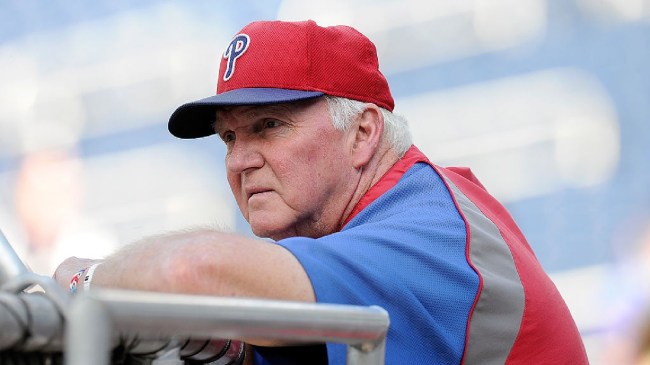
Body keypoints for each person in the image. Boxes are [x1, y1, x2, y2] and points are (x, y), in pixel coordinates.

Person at [53, 20, 589, 364]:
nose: (240, 160)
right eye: (230, 138)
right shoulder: (398, 215)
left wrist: (84, 284)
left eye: (269, 125)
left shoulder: (428, 231)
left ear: (362, 134)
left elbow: (191, 270)